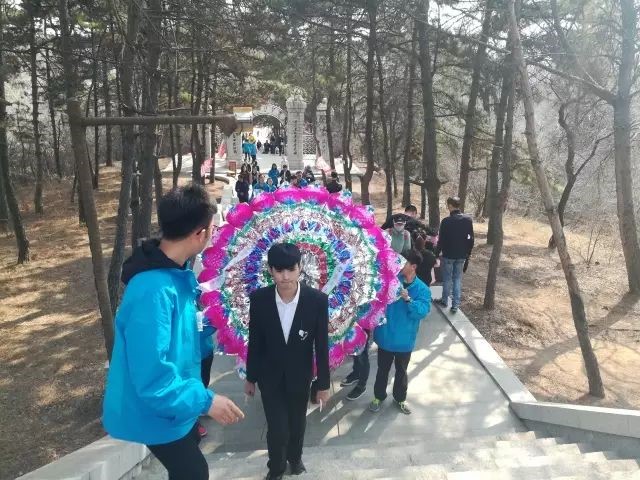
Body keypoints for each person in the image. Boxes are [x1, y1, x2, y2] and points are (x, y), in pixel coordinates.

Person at [103, 185, 244, 480]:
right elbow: (153, 379)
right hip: (157, 411)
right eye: (212, 228)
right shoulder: (153, 291)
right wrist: (207, 401)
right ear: (199, 233)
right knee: (194, 472)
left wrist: (220, 319)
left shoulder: (174, 275)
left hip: (177, 405)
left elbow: (179, 338)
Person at [245, 243, 330, 480]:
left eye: (291, 269)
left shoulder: (317, 300)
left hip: (300, 376)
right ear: (270, 270)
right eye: (279, 270)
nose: (285, 277)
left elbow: (321, 345)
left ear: (300, 267)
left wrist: (323, 384)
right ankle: (276, 468)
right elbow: (255, 341)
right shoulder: (259, 299)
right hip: (269, 377)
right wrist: (250, 378)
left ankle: (295, 458)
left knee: (297, 423)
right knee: (277, 428)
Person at [369, 250, 431, 415]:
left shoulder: (422, 289)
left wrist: (408, 299)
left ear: (413, 267)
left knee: (401, 371)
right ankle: (378, 396)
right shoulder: (391, 281)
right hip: (386, 337)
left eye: (404, 262)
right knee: (382, 370)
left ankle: (400, 398)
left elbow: (422, 312)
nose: (399, 265)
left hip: (405, 340)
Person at [435, 196, 474, 313]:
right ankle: (455, 305)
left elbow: (441, 240)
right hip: (461, 255)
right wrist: (468, 253)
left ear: (450, 206)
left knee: (447, 279)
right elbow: (471, 238)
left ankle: (444, 301)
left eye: (448, 205)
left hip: (448, 254)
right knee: (457, 279)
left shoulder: (446, 221)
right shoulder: (468, 220)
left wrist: (436, 254)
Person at [339, 330, 371, 401]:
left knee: (362, 356)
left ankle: (361, 386)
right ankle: (356, 374)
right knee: (354, 351)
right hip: (352, 326)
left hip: (363, 327)